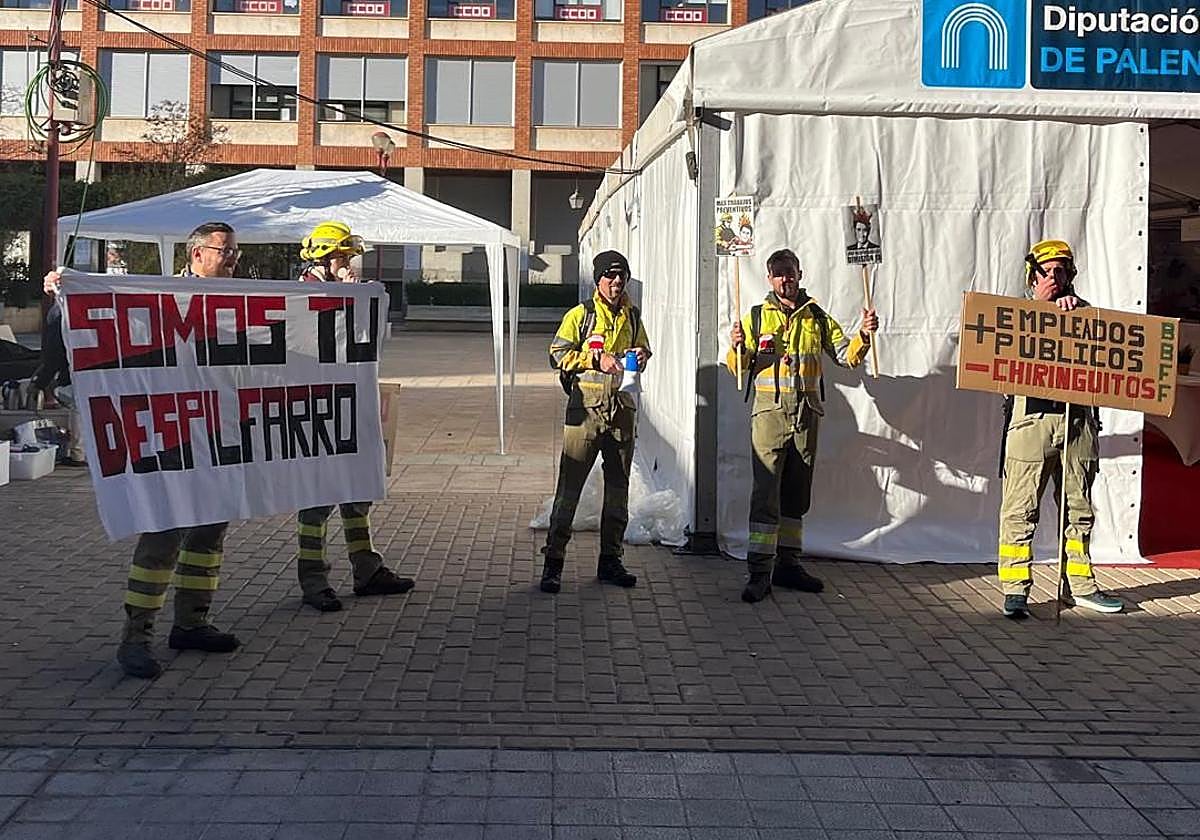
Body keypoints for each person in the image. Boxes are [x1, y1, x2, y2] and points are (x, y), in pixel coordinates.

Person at [45, 221, 244, 678]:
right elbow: (102, 314)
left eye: (234, 251)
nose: (232, 258)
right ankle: (136, 638)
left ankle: (192, 622)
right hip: (170, 434)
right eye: (224, 251)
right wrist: (64, 292)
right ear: (196, 254)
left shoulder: (241, 301)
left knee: (210, 534)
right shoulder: (161, 296)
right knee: (163, 533)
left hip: (219, 435)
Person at [727, 248, 878, 603]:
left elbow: (845, 356)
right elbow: (737, 368)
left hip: (806, 417)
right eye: (778, 273)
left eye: (790, 272)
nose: (785, 279)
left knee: (796, 496)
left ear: (800, 273)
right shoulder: (754, 317)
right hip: (769, 417)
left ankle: (788, 565)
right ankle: (759, 572)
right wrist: (737, 348)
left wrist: (865, 336)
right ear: (769, 278)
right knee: (765, 495)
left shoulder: (817, 317)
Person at [997, 239, 1124, 619]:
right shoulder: (1015, 314)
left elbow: (1107, 355)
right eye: (1048, 270)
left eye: (1063, 270)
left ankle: (1080, 587)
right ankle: (1015, 590)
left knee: (1078, 509)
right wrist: (1040, 309)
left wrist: (1076, 316)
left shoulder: (1087, 315)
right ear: (1032, 274)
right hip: (1030, 421)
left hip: (1078, 422)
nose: (1056, 277)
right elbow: (999, 359)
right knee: (1020, 508)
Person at [293, 221, 415, 612]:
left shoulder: (350, 292)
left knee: (357, 488)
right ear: (323, 258)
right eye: (342, 256)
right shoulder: (298, 294)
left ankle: (367, 570)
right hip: (315, 406)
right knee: (317, 499)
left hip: (350, 400)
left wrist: (356, 295)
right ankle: (313, 580)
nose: (348, 262)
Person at [540, 250, 651, 594]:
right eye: (610, 277)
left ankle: (611, 561)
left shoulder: (632, 316)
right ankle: (553, 563)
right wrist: (594, 358)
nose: (617, 283)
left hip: (622, 412)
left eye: (622, 278)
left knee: (618, 492)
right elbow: (556, 354)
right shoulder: (581, 315)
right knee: (568, 491)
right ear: (597, 280)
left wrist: (642, 356)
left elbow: (643, 348)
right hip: (585, 414)